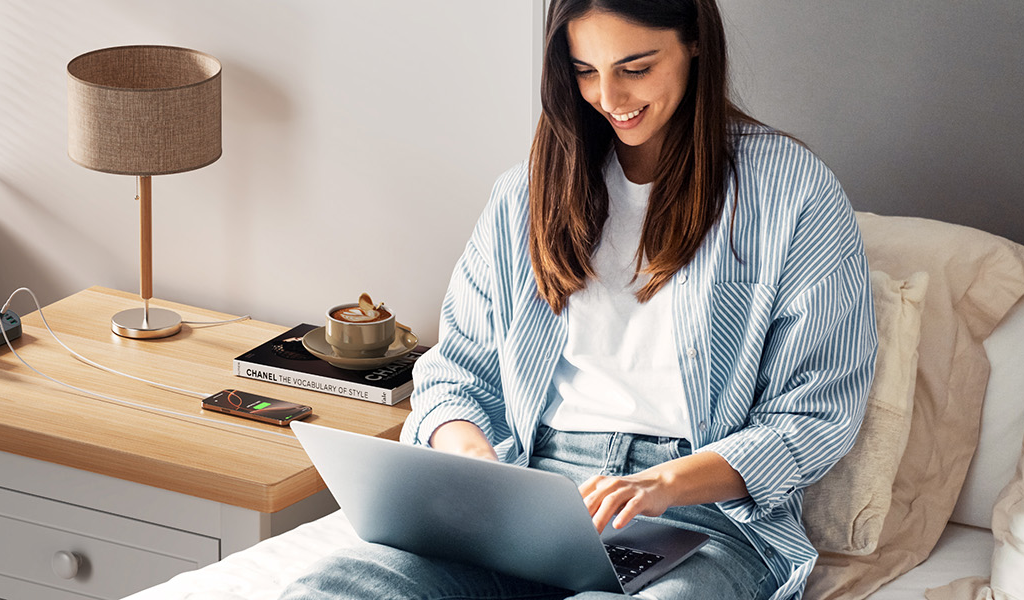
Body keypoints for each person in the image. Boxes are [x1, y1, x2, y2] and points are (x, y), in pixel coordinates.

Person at [281, 0, 876, 598]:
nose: (610, 97)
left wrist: (662, 484)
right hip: (531, 491)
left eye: (635, 68)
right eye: (585, 71)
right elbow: (456, 375)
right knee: (336, 585)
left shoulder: (791, 192)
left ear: (694, 42)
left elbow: (815, 415)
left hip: (704, 516)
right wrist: (477, 466)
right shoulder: (527, 194)